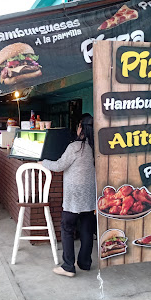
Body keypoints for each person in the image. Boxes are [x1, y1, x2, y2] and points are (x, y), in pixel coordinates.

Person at [41, 113, 96, 277]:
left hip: (74, 195)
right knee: (87, 229)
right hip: (90, 194)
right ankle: (85, 263)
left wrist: (42, 162)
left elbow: (59, 166)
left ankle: (68, 266)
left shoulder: (75, 147)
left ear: (82, 128)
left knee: (67, 228)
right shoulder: (97, 147)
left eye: (79, 125)